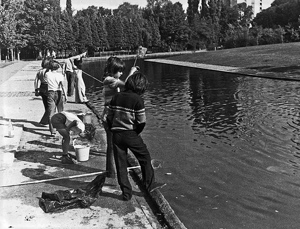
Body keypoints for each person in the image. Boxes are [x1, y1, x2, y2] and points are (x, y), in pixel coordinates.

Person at [106, 71, 166, 201]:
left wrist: (113, 128)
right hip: (130, 134)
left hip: (116, 134)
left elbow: (109, 117)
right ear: (141, 87)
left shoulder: (116, 97)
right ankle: (149, 185)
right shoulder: (138, 100)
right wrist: (135, 133)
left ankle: (126, 193)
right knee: (144, 158)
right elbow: (141, 121)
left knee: (120, 163)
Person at [101, 56, 138, 178]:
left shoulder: (110, 79)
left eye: (123, 71)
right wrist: (132, 73)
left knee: (113, 144)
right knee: (112, 145)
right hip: (110, 117)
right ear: (112, 69)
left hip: (111, 115)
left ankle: (112, 171)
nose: (121, 73)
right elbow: (127, 86)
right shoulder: (109, 80)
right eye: (120, 71)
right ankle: (111, 172)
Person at [45, 60, 67, 136]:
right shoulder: (60, 75)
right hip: (59, 92)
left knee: (51, 113)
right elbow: (62, 86)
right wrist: (65, 95)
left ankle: (52, 131)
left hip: (50, 92)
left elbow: (47, 72)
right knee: (61, 111)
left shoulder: (47, 74)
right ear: (57, 68)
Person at [34, 57, 51, 125]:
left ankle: (47, 121)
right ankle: (43, 121)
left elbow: (35, 81)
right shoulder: (48, 71)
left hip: (42, 87)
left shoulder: (39, 71)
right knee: (50, 106)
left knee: (46, 105)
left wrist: (36, 90)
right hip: (48, 87)